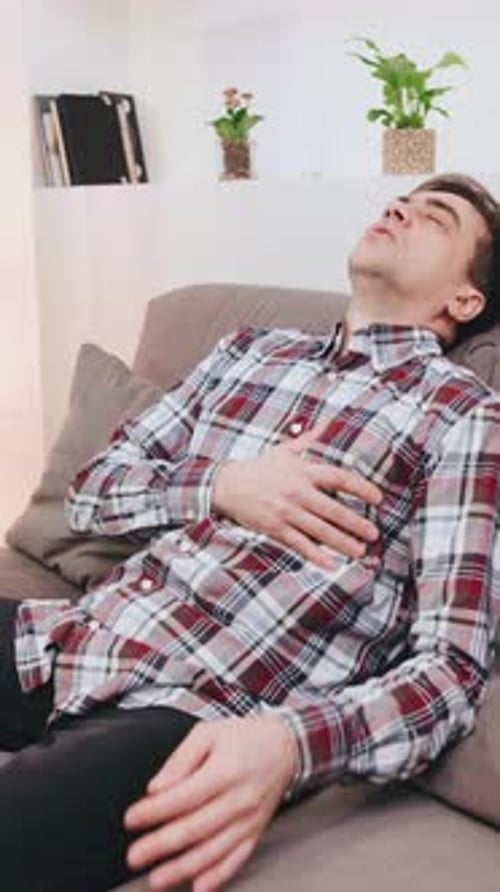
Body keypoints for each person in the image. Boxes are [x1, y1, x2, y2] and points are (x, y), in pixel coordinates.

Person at [1, 174, 499, 892]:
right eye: (402, 200)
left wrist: (291, 746)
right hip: (67, 639)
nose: (399, 208)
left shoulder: (463, 415)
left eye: (436, 217)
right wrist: (221, 486)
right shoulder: (250, 352)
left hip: (193, 710)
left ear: (465, 299)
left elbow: (450, 669)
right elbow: (92, 491)